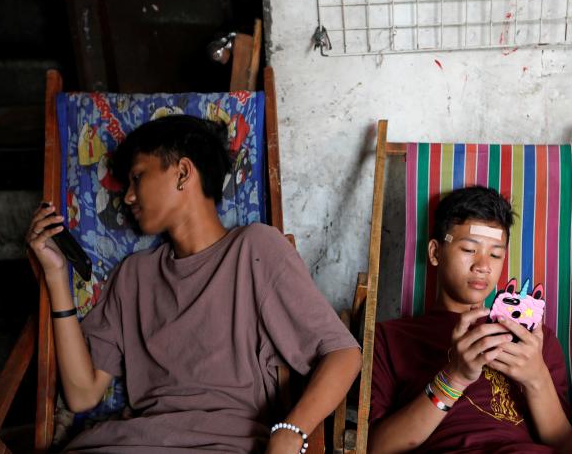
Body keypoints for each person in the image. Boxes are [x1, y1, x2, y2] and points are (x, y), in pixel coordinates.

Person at [26, 115, 361, 453]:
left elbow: (343, 354)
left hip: (224, 444)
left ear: (183, 173)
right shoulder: (133, 275)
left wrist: (291, 431)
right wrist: (56, 276)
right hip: (125, 443)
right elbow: (83, 395)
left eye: (137, 177)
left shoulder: (254, 250)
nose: (128, 197)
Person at [368, 186, 572, 453]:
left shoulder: (534, 340)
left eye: (496, 254)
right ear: (435, 253)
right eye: (469, 249)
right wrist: (455, 377)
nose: (483, 265)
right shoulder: (391, 337)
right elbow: (377, 447)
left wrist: (536, 377)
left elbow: (569, 448)